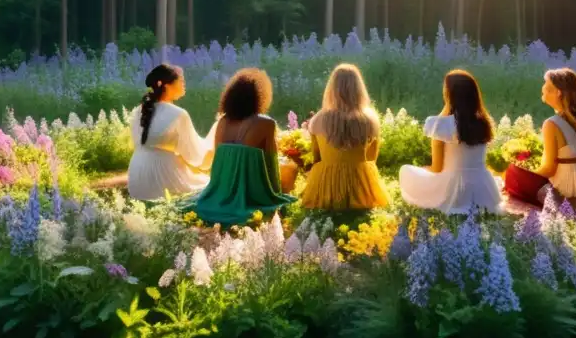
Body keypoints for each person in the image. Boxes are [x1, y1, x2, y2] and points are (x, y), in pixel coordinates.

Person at [192, 68, 295, 226]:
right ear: (260, 97)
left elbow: (218, 161)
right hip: (252, 194)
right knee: (291, 168)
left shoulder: (222, 122)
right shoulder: (265, 123)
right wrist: (273, 195)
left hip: (220, 193)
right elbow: (271, 164)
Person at [399, 69, 503, 214]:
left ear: (449, 95)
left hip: (453, 189)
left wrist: (424, 169)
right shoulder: (484, 123)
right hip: (483, 188)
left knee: (405, 170)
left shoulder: (441, 125)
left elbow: (437, 168)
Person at [505, 68, 576, 207]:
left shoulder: (552, 124)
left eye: (546, 83)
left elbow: (549, 169)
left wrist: (527, 176)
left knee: (514, 174)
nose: (543, 87)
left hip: (571, 191)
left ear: (558, 92)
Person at [301, 64, 389, 211]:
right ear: (359, 89)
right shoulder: (370, 120)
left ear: (331, 89)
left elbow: (317, 158)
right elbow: (372, 159)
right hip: (360, 187)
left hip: (326, 187)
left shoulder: (317, 120)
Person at [127, 64, 213, 201]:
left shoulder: (139, 111)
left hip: (137, 177)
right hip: (163, 175)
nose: (184, 84)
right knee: (208, 185)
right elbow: (195, 156)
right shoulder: (178, 114)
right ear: (166, 85)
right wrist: (216, 133)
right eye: (181, 80)